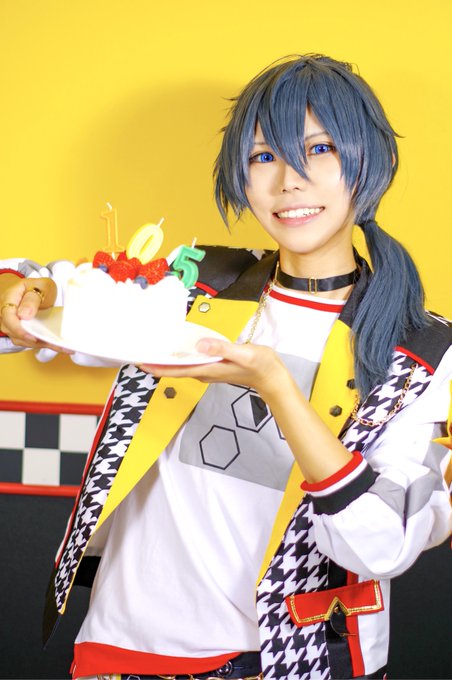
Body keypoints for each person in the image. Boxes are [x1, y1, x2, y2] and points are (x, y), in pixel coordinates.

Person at [0, 54, 451, 680]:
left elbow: (383, 545)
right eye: (264, 157)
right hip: (121, 646)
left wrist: (277, 389)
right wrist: (25, 294)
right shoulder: (191, 285)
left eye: (319, 149)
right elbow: (55, 299)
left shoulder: (421, 348)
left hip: (288, 661)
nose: (289, 180)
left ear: (367, 162)